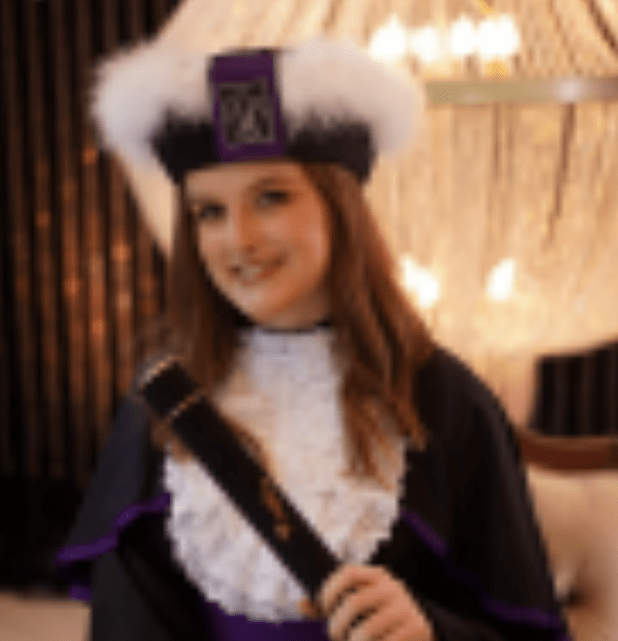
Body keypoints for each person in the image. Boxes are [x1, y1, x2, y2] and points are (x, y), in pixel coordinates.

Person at [55, 33, 572, 641]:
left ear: (340, 207)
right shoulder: (162, 407)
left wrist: (430, 629)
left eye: (271, 198)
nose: (239, 239)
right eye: (209, 212)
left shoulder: (448, 400)